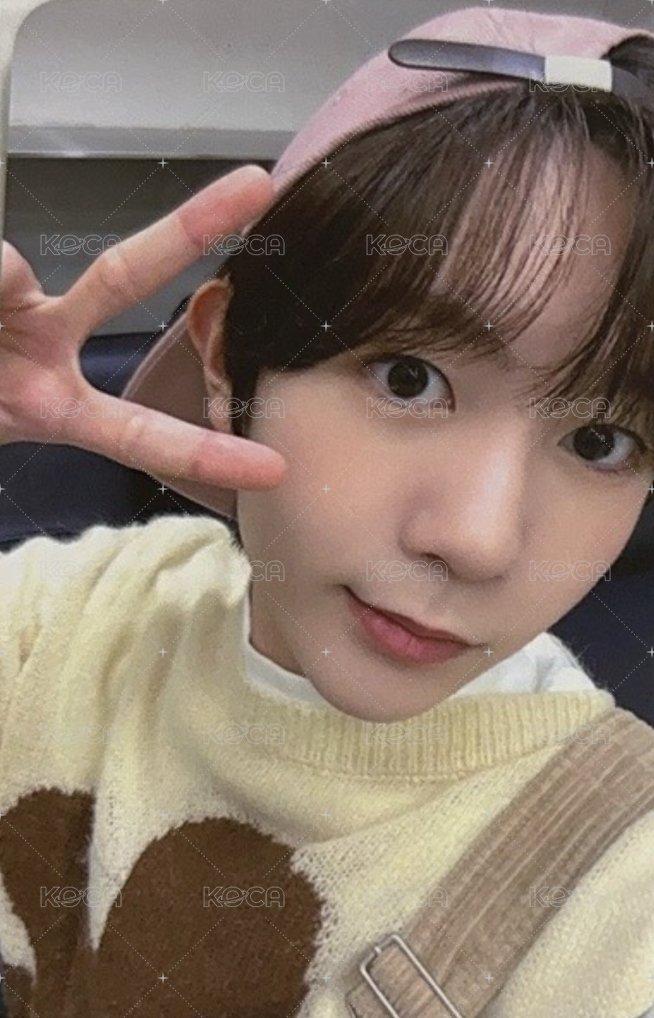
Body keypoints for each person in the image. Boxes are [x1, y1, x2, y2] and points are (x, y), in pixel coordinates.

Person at [0, 5, 653, 1017]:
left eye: (601, 440)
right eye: (409, 378)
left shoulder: (616, 875)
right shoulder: (59, 624)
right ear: (229, 356)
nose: (479, 540)